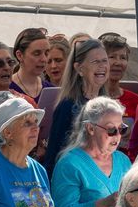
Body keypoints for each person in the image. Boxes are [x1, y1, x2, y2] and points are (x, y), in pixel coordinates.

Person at [45, 38, 111, 166]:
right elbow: (54, 155)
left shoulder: (109, 106)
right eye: (95, 61)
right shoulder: (67, 106)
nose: (102, 66)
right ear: (79, 68)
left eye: (104, 61)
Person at [9, 26, 52, 103]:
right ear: (20, 55)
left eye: (46, 53)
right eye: (36, 53)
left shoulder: (51, 90)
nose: (44, 59)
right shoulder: (6, 89)